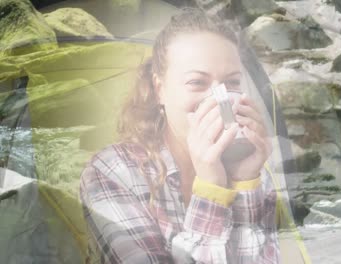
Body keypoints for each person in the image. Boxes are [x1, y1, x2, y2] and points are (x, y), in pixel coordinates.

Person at [79, 7, 280, 264]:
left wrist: (244, 182)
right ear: (160, 89)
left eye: (232, 82)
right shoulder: (113, 172)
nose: (220, 100)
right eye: (197, 82)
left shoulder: (255, 175)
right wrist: (211, 191)